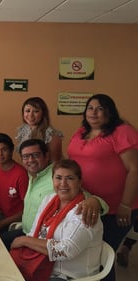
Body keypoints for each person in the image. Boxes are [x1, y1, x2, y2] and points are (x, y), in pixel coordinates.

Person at [67, 93, 138, 281]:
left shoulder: (122, 131)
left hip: (115, 209)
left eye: (100, 108)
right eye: (90, 108)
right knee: (90, 256)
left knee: (102, 257)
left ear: (110, 112)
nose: (94, 112)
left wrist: (125, 205)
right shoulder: (82, 131)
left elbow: (135, 169)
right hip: (87, 204)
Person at [1, 139, 107, 250]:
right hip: (28, 232)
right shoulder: (32, 175)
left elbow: (82, 195)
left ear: (46, 156)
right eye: (26, 156)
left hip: (44, 238)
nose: (31, 160)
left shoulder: (58, 176)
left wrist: (95, 201)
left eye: (35, 155)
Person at [10, 159, 103, 281]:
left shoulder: (85, 211)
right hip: (40, 265)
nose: (63, 184)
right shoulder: (49, 199)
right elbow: (34, 232)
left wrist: (24, 240)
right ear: (52, 180)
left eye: (70, 178)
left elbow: (67, 250)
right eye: (58, 178)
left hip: (67, 276)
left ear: (80, 181)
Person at [16, 97, 63, 162]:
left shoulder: (52, 134)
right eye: (27, 111)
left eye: (36, 111)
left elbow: (55, 163)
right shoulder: (23, 131)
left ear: (43, 113)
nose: (31, 115)